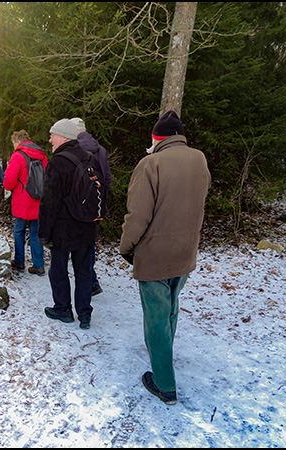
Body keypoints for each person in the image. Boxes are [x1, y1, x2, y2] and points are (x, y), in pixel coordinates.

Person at [119, 110, 211, 405]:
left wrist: (126, 247)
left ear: (157, 138)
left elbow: (138, 216)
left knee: (156, 317)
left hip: (155, 255)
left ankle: (164, 383)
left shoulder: (151, 164)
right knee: (171, 307)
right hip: (185, 251)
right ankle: (165, 357)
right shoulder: (199, 159)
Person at [38, 119, 98, 330]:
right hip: (87, 226)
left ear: (63, 136)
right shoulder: (90, 158)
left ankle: (63, 309)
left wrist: (43, 233)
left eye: (52, 135)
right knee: (83, 272)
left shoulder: (57, 162)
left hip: (63, 229)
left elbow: (49, 202)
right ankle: (84, 314)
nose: (50, 139)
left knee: (58, 270)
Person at [71, 117, 112, 297]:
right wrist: (102, 201)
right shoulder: (101, 149)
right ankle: (92, 280)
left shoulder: (73, 150)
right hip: (97, 205)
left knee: (78, 245)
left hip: (78, 207)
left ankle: (89, 283)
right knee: (89, 243)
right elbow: (107, 179)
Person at [3, 130, 48, 275]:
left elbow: (9, 182)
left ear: (17, 142)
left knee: (19, 231)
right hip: (39, 198)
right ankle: (39, 265)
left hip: (22, 199)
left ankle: (19, 261)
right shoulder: (42, 155)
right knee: (36, 233)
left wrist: (8, 188)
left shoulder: (18, 156)